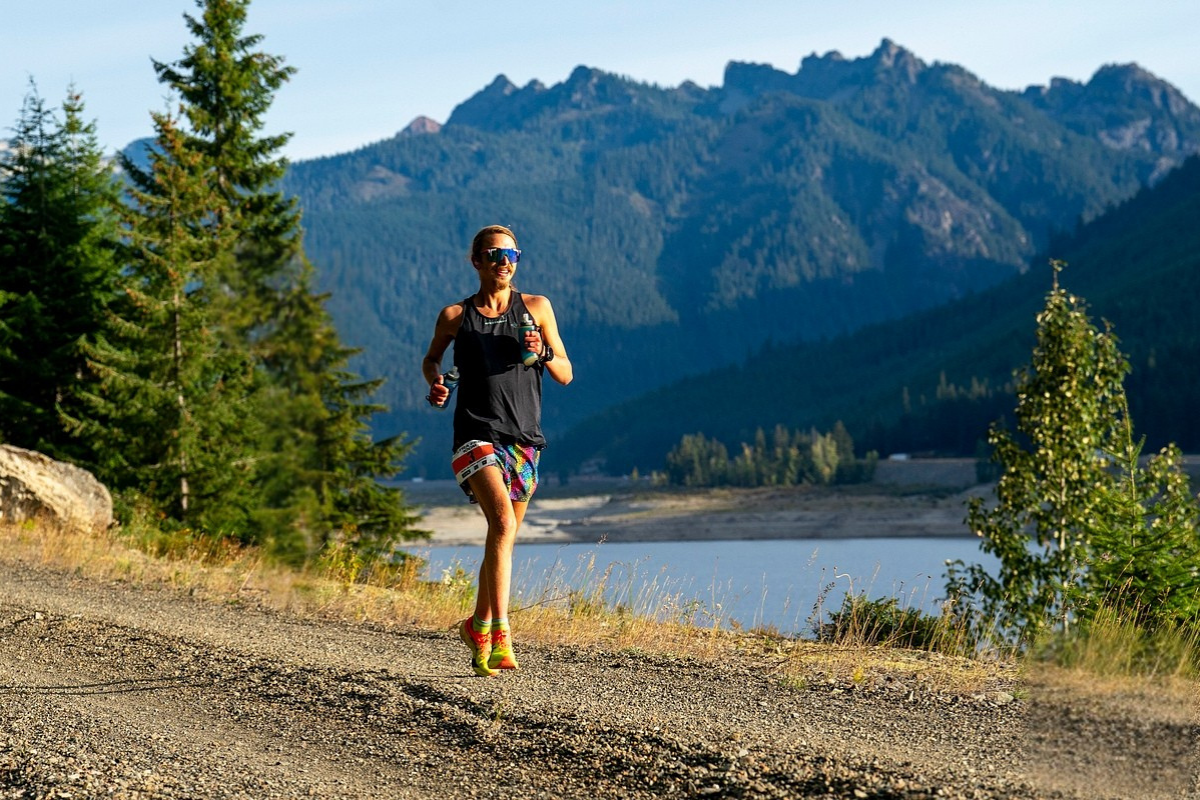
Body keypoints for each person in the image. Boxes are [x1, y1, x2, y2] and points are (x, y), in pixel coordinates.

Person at [422, 224, 573, 676]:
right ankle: (501, 635)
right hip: (474, 433)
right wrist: (434, 382)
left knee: (501, 538)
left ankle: (477, 624)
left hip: (524, 438)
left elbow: (565, 372)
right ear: (476, 261)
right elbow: (432, 358)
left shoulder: (536, 308)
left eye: (512, 254)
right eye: (494, 254)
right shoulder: (455, 316)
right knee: (503, 522)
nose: (504, 262)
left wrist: (543, 351)